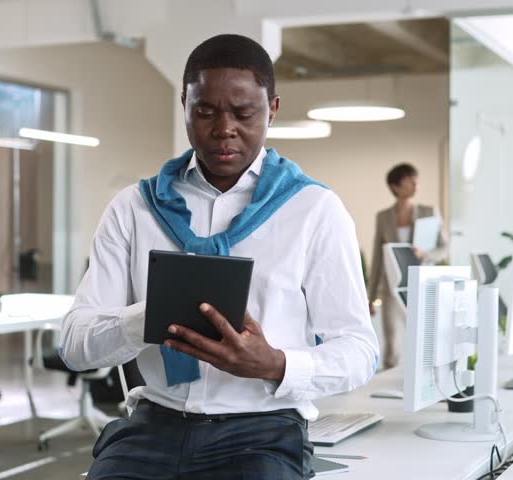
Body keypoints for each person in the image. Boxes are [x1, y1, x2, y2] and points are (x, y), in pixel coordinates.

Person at [60, 33, 378, 480]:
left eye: (244, 113)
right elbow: (75, 344)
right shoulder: (133, 208)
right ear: (185, 106)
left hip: (262, 431)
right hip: (154, 425)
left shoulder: (314, 210)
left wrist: (274, 363)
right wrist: (152, 318)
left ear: (273, 109)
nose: (223, 128)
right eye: (205, 111)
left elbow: (360, 350)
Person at [367, 163, 447, 369]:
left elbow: (444, 247)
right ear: (395, 187)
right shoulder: (383, 217)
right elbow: (378, 258)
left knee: (422, 337)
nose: (415, 183)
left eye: (416, 179)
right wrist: (371, 296)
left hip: (421, 285)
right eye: (409, 180)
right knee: (391, 342)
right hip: (392, 287)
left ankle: (422, 378)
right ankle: (389, 383)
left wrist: (426, 254)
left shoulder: (429, 212)